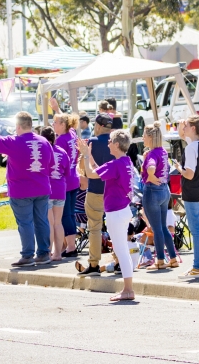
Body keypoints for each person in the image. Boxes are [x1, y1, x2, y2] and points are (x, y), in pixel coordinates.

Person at [0, 112, 54, 267]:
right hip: (42, 187)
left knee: (25, 223)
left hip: (21, 189)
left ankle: (27, 255)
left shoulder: (14, 141)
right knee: (42, 221)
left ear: (18, 126)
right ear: (30, 125)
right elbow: (50, 163)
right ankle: (44, 253)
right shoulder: (44, 141)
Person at [79, 129, 136, 301]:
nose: (108, 143)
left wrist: (85, 155)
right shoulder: (125, 161)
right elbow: (98, 170)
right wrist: (88, 154)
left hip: (116, 212)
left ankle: (128, 290)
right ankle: (127, 289)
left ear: (117, 144)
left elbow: (90, 174)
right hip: (123, 210)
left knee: (121, 251)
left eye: (110, 141)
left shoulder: (116, 164)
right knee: (122, 250)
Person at [75, 114, 114, 276]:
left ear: (97, 126)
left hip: (95, 190)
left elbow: (83, 169)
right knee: (115, 228)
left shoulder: (91, 142)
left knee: (94, 228)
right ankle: (119, 261)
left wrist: (83, 154)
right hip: (113, 191)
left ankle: (94, 264)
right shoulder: (116, 142)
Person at [173, 116, 199, 279]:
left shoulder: (190, 148)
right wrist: (182, 128)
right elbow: (184, 137)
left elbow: (189, 174)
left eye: (186, 126)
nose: (184, 128)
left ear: (194, 128)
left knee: (196, 231)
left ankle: (197, 266)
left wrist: (178, 168)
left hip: (193, 193)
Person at [141, 121, 179, 269]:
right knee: (163, 227)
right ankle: (173, 259)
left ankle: (160, 261)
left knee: (156, 229)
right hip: (164, 191)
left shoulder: (152, 154)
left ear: (150, 137)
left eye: (144, 135)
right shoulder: (163, 151)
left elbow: (151, 167)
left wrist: (150, 174)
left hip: (152, 191)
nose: (142, 138)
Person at [52, 113, 80, 257]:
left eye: (55, 122)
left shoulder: (61, 140)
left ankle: (70, 246)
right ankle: (67, 245)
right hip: (74, 178)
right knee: (70, 214)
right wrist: (57, 108)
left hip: (65, 181)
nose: (53, 124)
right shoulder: (72, 133)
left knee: (65, 215)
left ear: (63, 125)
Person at [42, 127, 69, 261]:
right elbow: (67, 172)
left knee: (49, 223)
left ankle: (47, 252)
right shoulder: (63, 152)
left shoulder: (44, 151)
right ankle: (58, 253)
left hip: (47, 190)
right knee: (58, 222)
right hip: (60, 189)